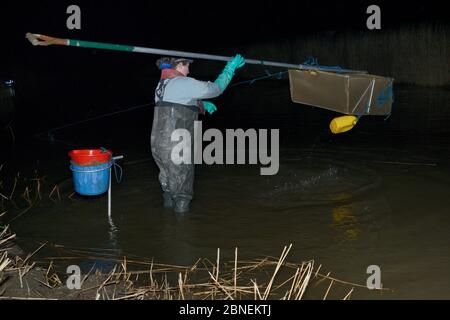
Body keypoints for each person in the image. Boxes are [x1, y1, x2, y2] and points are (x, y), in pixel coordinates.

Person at [151, 54, 245, 213]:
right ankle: (181, 230)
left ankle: (166, 221)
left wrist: (199, 104)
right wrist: (229, 69)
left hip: (158, 146)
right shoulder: (183, 81)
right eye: (187, 66)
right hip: (176, 147)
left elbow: (177, 100)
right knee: (182, 192)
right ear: (180, 65)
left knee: (168, 185)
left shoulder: (162, 84)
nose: (188, 70)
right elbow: (216, 89)